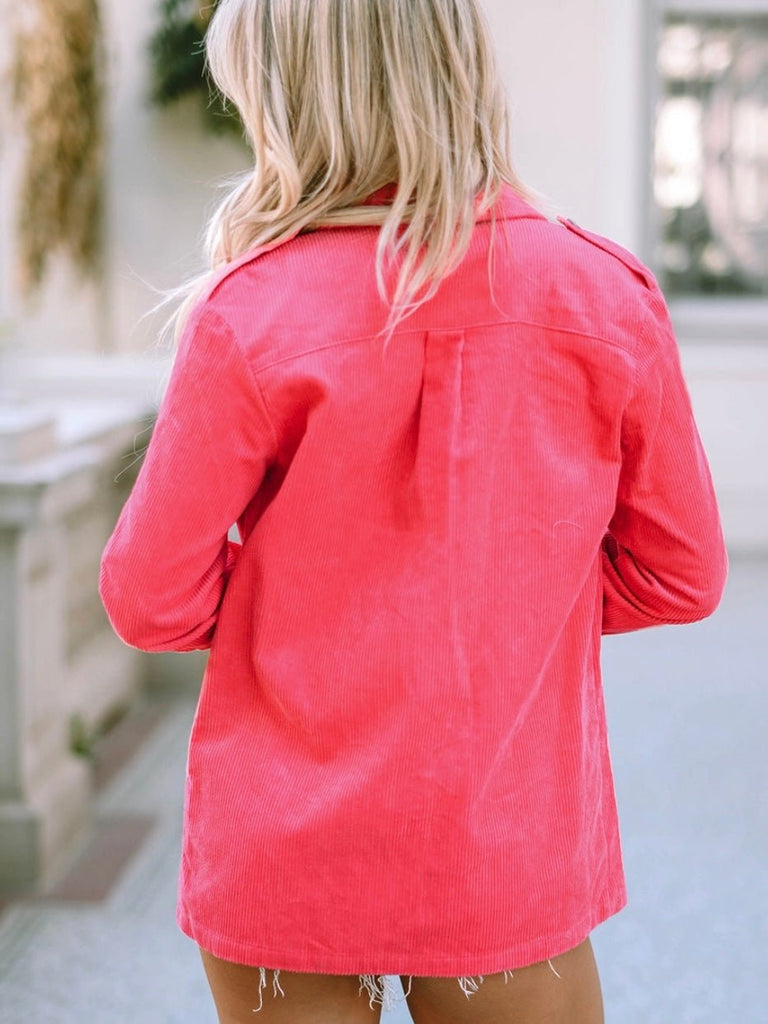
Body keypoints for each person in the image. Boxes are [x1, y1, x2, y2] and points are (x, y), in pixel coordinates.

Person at [98, 1, 728, 1021]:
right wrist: (508, 604)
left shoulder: (247, 313)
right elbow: (682, 573)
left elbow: (146, 598)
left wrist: (309, 614)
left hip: (285, 843)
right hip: (504, 845)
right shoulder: (606, 294)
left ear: (291, 95)